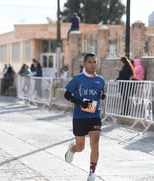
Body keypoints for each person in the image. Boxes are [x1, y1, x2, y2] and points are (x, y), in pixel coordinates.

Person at [64, 53, 106, 181]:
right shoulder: (77, 79)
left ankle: (91, 173)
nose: (92, 64)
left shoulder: (100, 80)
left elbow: (101, 93)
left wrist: (102, 96)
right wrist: (80, 102)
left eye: (94, 62)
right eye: (89, 62)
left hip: (94, 115)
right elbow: (67, 95)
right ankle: (72, 149)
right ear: (84, 63)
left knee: (95, 143)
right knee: (81, 147)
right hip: (80, 116)